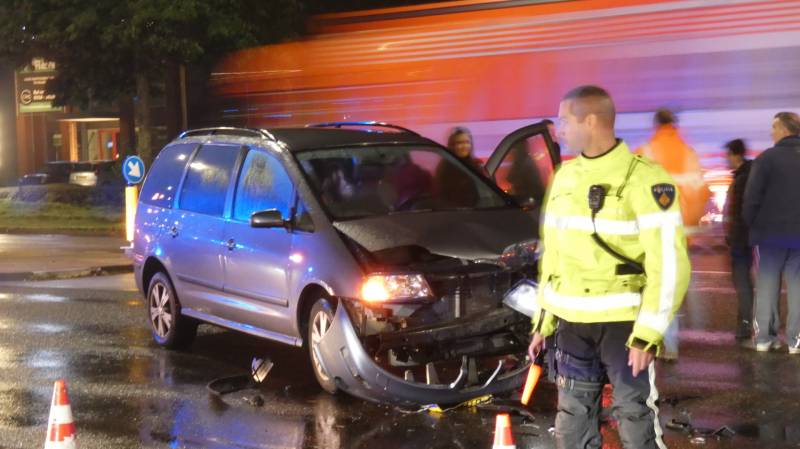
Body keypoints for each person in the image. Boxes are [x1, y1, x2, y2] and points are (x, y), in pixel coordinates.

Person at [528, 85, 690, 449]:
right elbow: (553, 257)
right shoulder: (564, 177)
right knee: (572, 422)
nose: (559, 129)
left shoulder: (646, 179)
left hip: (624, 327)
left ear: (591, 120)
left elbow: (669, 264)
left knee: (634, 418)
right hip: (571, 325)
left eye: (565, 120)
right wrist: (543, 322)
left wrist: (648, 334)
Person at [636, 108, 709, 360]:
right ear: (674, 125)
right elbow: (701, 193)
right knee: (673, 281)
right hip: (682, 229)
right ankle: (672, 342)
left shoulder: (645, 152)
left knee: (655, 284)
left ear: (656, 125)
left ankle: (660, 340)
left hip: (653, 230)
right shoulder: (689, 154)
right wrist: (690, 222)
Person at [742, 112, 800, 353]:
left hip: (770, 236)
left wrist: (752, 225)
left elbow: (751, 199)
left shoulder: (766, 159)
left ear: (785, 130)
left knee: (766, 285)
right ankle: (797, 341)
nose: (771, 132)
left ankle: (765, 338)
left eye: (774, 128)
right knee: (798, 287)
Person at [722, 139, 754, 342]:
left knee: (742, 282)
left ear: (736, 154)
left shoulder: (743, 178)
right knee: (742, 281)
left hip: (741, 239)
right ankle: (744, 324)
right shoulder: (744, 175)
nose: (726, 159)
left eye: (728, 155)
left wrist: (734, 235)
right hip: (740, 238)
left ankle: (745, 326)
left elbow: (740, 212)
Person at [434, 126, 486, 207]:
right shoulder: (444, 168)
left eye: (467, 142)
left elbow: (485, 192)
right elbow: (440, 195)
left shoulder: (477, 165)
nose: (464, 146)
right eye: (459, 143)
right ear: (452, 145)